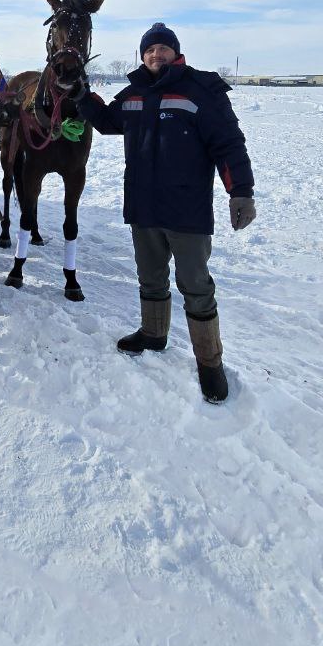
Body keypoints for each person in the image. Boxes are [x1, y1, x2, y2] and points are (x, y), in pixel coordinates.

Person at [76, 22, 256, 403]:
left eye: (162, 49)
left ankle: (210, 363)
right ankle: (154, 334)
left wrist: (240, 191)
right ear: (142, 56)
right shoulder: (135, 91)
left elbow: (228, 143)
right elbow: (109, 122)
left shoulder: (200, 90)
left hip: (186, 209)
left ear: (176, 52)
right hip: (143, 206)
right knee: (150, 276)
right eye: (149, 50)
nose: (156, 55)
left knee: (196, 285)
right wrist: (82, 96)